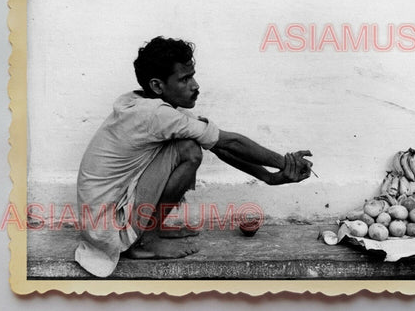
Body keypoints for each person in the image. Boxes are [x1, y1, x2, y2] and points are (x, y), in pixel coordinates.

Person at [74, 36, 313, 277]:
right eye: (185, 79)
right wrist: (286, 163)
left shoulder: (143, 104)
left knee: (191, 144)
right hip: (109, 230)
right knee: (189, 150)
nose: (195, 85)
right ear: (157, 86)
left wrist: (270, 178)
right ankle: (147, 240)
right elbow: (230, 141)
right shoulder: (156, 115)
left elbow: (220, 146)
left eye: (193, 75)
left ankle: (149, 229)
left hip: (101, 224)